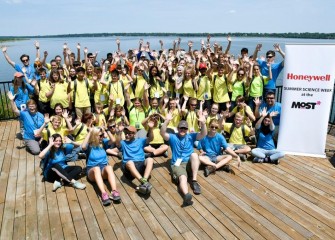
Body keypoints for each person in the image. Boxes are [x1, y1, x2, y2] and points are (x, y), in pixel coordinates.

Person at [160, 112, 207, 207]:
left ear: (187, 129)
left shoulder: (191, 136)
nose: (183, 130)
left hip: (189, 164)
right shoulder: (173, 137)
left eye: (185, 128)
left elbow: (203, 134)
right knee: (183, 178)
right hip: (178, 164)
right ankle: (186, 196)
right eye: (181, 128)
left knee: (194, 155)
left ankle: (194, 181)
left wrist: (203, 123)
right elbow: (162, 133)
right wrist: (166, 121)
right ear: (178, 128)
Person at [81, 127, 121, 206]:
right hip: (92, 171)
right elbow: (83, 147)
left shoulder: (103, 143)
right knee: (96, 169)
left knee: (109, 167)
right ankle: (104, 194)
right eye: (100, 135)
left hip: (103, 170)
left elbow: (113, 141)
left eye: (102, 135)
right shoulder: (89, 145)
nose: (102, 137)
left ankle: (114, 191)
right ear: (94, 136)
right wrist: (90, 132)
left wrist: (106, 130)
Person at [115, 125, 155, 195]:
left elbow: (151, 138)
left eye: (129, 133)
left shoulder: (140, 141)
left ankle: (145, 179)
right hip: (129, 167)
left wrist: (151, 128)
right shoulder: (123, 143)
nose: (127, 135)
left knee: (150, 160)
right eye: (125, 133)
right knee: (130, 162)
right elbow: (117, 143)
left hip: (141, 163)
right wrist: (118, 133)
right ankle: (144, 182)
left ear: (134, 134)